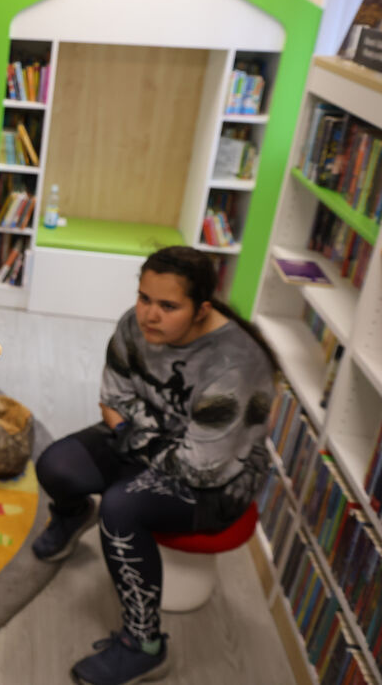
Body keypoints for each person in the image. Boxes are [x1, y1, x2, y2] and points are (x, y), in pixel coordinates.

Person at [30, 246, 278, 685]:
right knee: (54, 465)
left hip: (219, 484)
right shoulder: (136, 324)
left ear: (202, 309)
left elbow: (200, 468)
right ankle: (73, 516)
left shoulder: (235, 365)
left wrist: (131, 430)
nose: (148, 315)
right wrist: (139, 430)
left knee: (121, 508)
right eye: (144, 297)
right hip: (157, 447)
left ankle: (146, 645)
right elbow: (112, 398)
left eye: (168, 305)